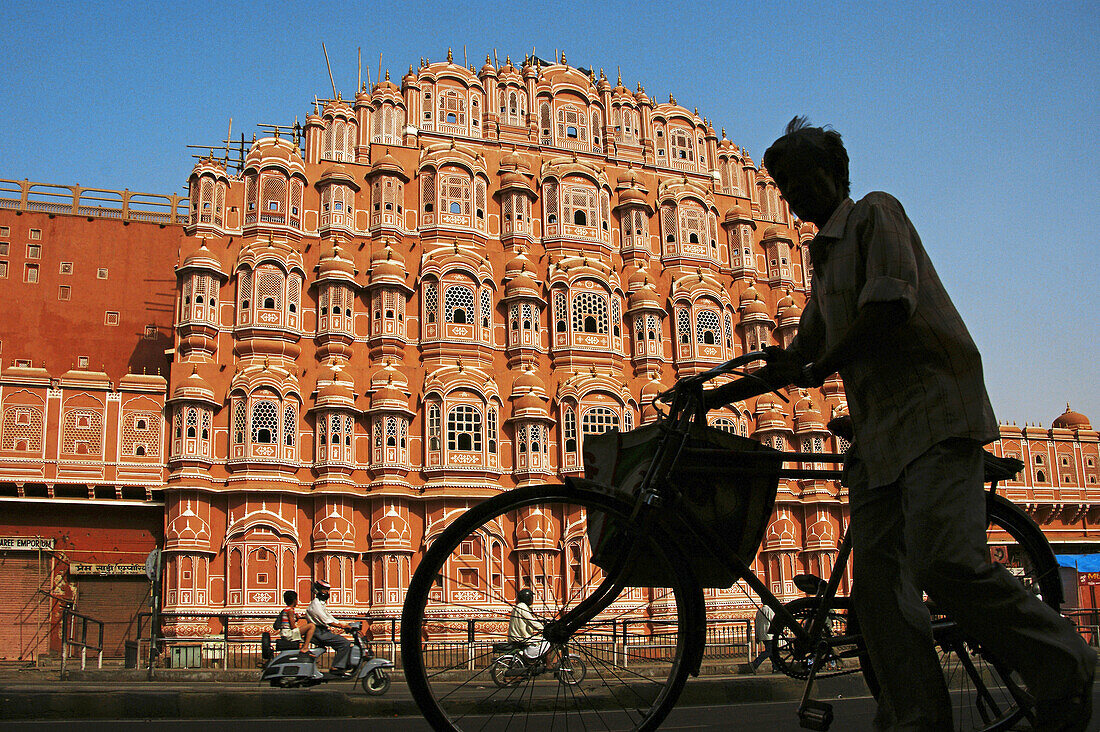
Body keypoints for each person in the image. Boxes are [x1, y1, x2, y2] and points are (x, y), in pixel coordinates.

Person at [708, 116, 1095, 731]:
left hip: (933, 414)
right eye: (780, 183)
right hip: (878, 438)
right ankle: (915, 719)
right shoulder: (825, 261)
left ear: (833, 173)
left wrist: (824, 363)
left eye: (799, 178)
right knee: (878, 596)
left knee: (947, 563)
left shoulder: (874, 216)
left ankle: (1065, 665)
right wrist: (715, 393)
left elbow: (889, 306)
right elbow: (800, 355)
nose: (790, 194)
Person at [305, 579, 352, 675]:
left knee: (340, 643)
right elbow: (326, 620)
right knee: (344, 643)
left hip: (322, 631)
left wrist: (344, 624)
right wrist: (342, 627)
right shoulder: (316, 604)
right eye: (324, 590)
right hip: (319, 632)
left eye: (327, 590)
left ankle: (342, 665)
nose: (326, 592)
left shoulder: (321, 604)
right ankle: (336, 667)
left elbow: (329, 617)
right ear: (318, 590)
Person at [507, 588, 555, 670]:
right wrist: (543, 629)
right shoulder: (523, 607)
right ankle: (548, 664)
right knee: (548, 642)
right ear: (527, 598)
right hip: (521, 637)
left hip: (516, 636)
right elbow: (531, 621)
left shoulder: (518, 607)